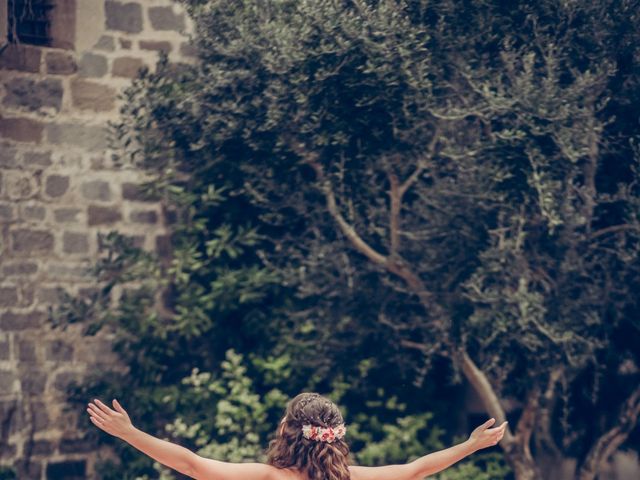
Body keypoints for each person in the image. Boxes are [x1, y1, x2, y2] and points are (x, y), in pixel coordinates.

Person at [87, 392, 508, 480]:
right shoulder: (353, 478)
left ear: (288, 433)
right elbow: (417, 470)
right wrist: (471, 445)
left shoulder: (269, 478)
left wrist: (131, 433)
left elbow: (191, 464)